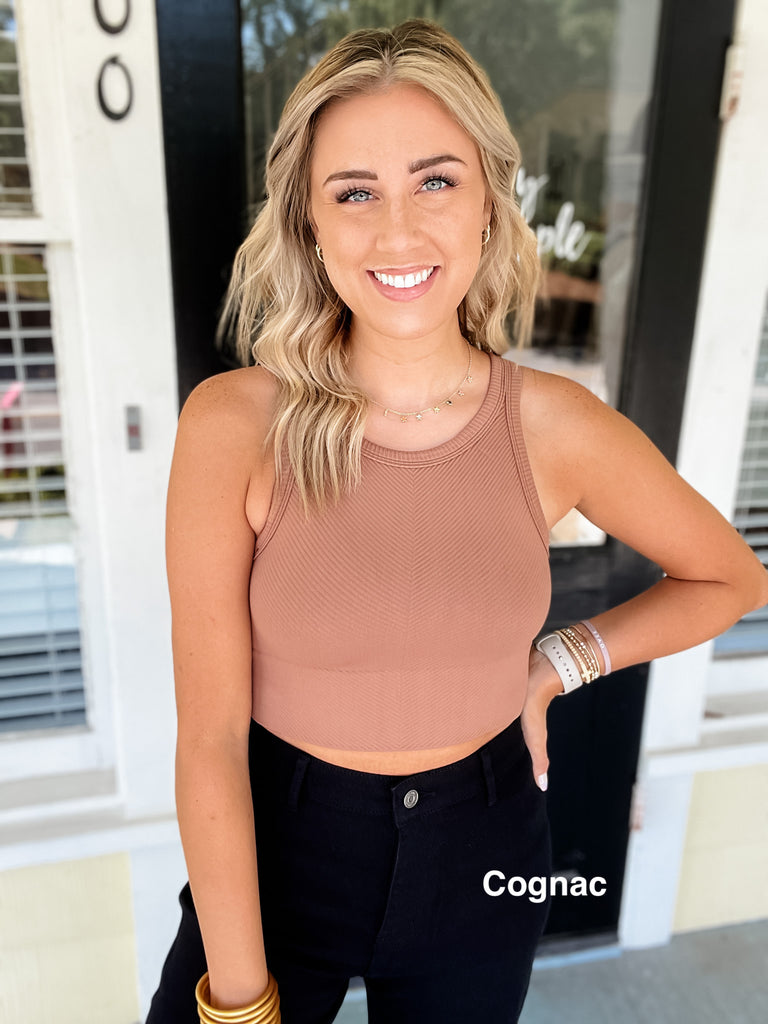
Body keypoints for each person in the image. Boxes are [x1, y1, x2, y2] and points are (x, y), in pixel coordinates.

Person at [146, 18, 768, 1024]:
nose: (398, 232)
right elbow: (208, 739)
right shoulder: (234, 423)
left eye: (435, 180)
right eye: (355, 192)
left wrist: (556, 665)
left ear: (489, 203)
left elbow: (732, 578)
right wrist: (242, 1001)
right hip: (275, 844)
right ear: (309, 222)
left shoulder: (557, 425)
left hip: (484, 848)